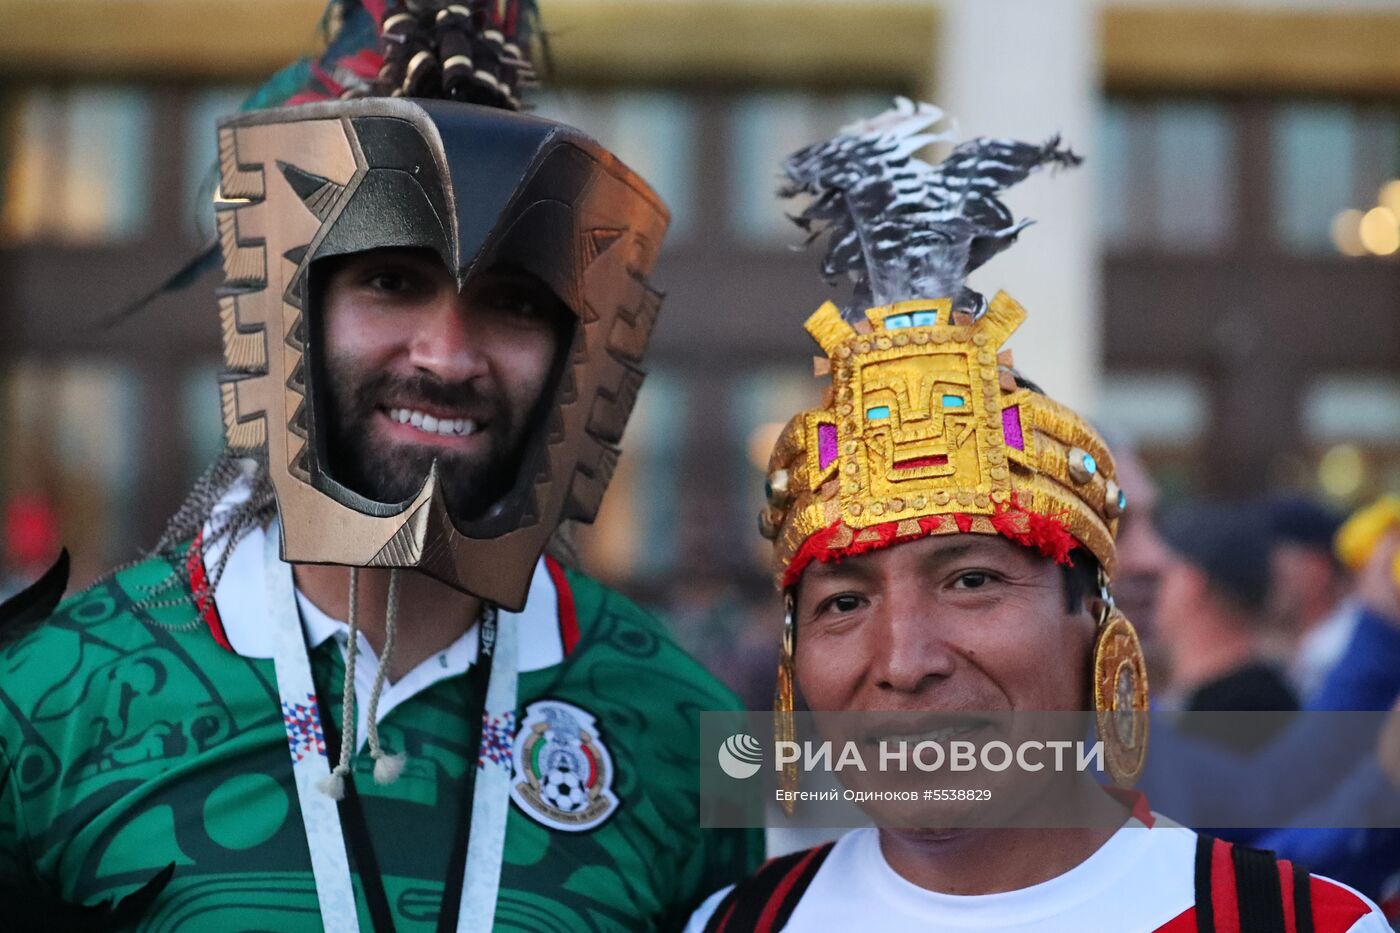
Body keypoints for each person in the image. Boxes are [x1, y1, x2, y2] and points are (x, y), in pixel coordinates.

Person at [0, 2, 760, 929]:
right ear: (297, 311)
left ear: (577, 349)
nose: (446, 355)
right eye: (392, 280)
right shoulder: (47, 698)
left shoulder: (692, 725)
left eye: (513, 302)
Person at [686, 99, 1388, 932]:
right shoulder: (737, 923)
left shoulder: (1292, 922)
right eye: (844, 600)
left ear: (1095, 619)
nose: (904, 662)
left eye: (972, 579)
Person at [1154, 503, 1299, 751]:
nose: (1154, 592)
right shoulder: (1276, 701)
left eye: (1162, 576)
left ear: (1191, 583)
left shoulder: (1221, 727)